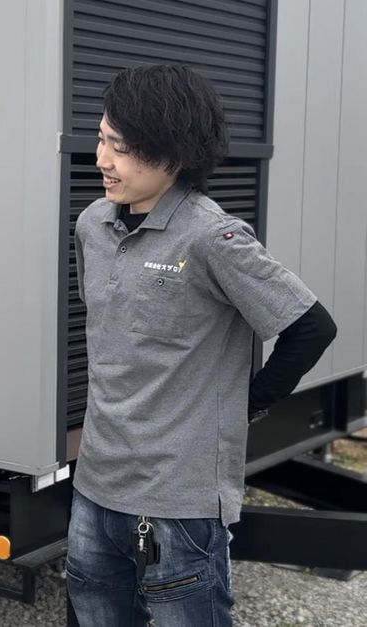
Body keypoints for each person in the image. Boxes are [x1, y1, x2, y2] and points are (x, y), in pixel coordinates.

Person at [66, 65, 337, 626]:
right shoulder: (92, 224)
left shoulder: (212, 237)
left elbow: (310, 326)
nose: (102, 160)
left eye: (121, 148)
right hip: (94, 484)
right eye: (101, 139)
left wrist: (246, 405)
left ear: (174, 154)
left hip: (178, 503)